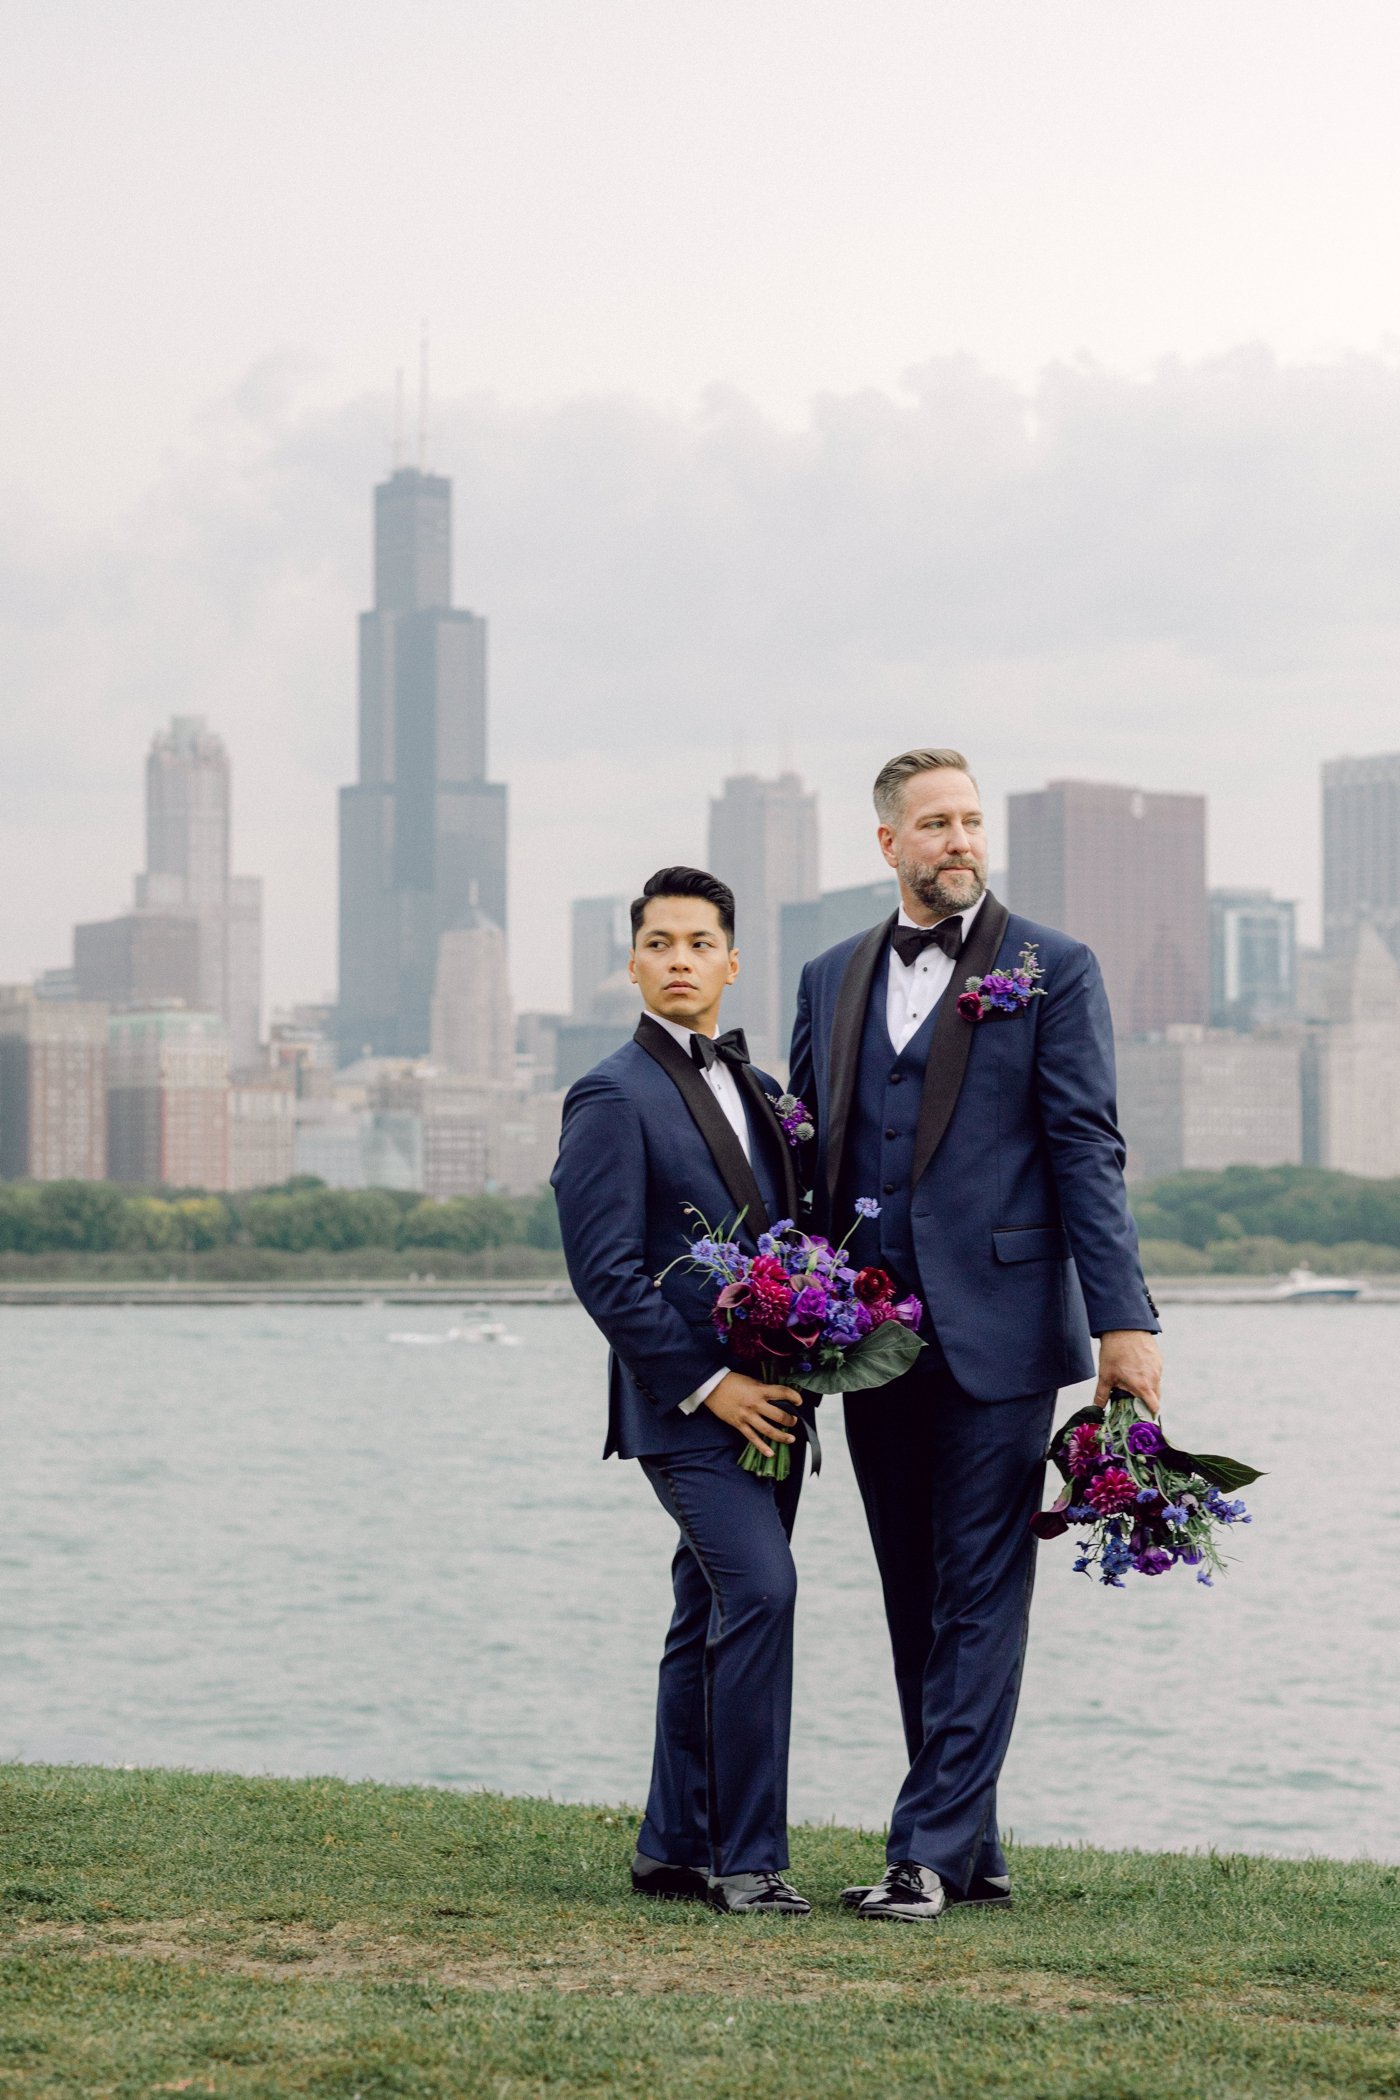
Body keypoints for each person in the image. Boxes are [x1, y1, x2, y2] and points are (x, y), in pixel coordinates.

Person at [789, 748, 1162, 1923]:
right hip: (868, 1339)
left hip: (999, 1332)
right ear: (888, 844)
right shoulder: (826, 976)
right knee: (912, 1591)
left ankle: (921, 1853)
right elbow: (812, 1164)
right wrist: (786, 1312)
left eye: (970, 821)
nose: (958, 840)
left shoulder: (1054, 968)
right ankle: (970, 1849)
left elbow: (1085, 1151)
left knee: (981, 1591)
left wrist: (1122, 1321)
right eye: (933, 824)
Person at [552, 866, 814, 1916]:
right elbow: (602, 1270)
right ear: (632, 963)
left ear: (729, 964)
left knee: (705, 1606)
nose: (677, 961)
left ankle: (671, 1848)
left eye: (697, 944)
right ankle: (747, 1863)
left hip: (784, 1401)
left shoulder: (759, 1093)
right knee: (760, 1592)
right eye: (657, 943)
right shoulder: (611, 1093)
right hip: (687, 1407)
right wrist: (710, 1384)